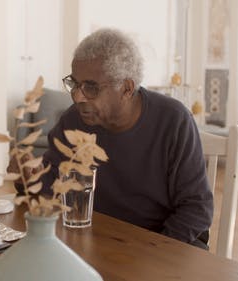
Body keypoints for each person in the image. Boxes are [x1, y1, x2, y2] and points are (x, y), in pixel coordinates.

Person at [40, 28, 213, 249]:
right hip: (101, 241)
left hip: (167, 245)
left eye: (91, 87)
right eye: (74, 83)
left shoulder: (174, 120)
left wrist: (150, 253)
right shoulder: (74, 120)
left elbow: (197, 209)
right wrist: (27, 177)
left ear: (127, 88)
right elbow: (48, 184)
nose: (77, 96)